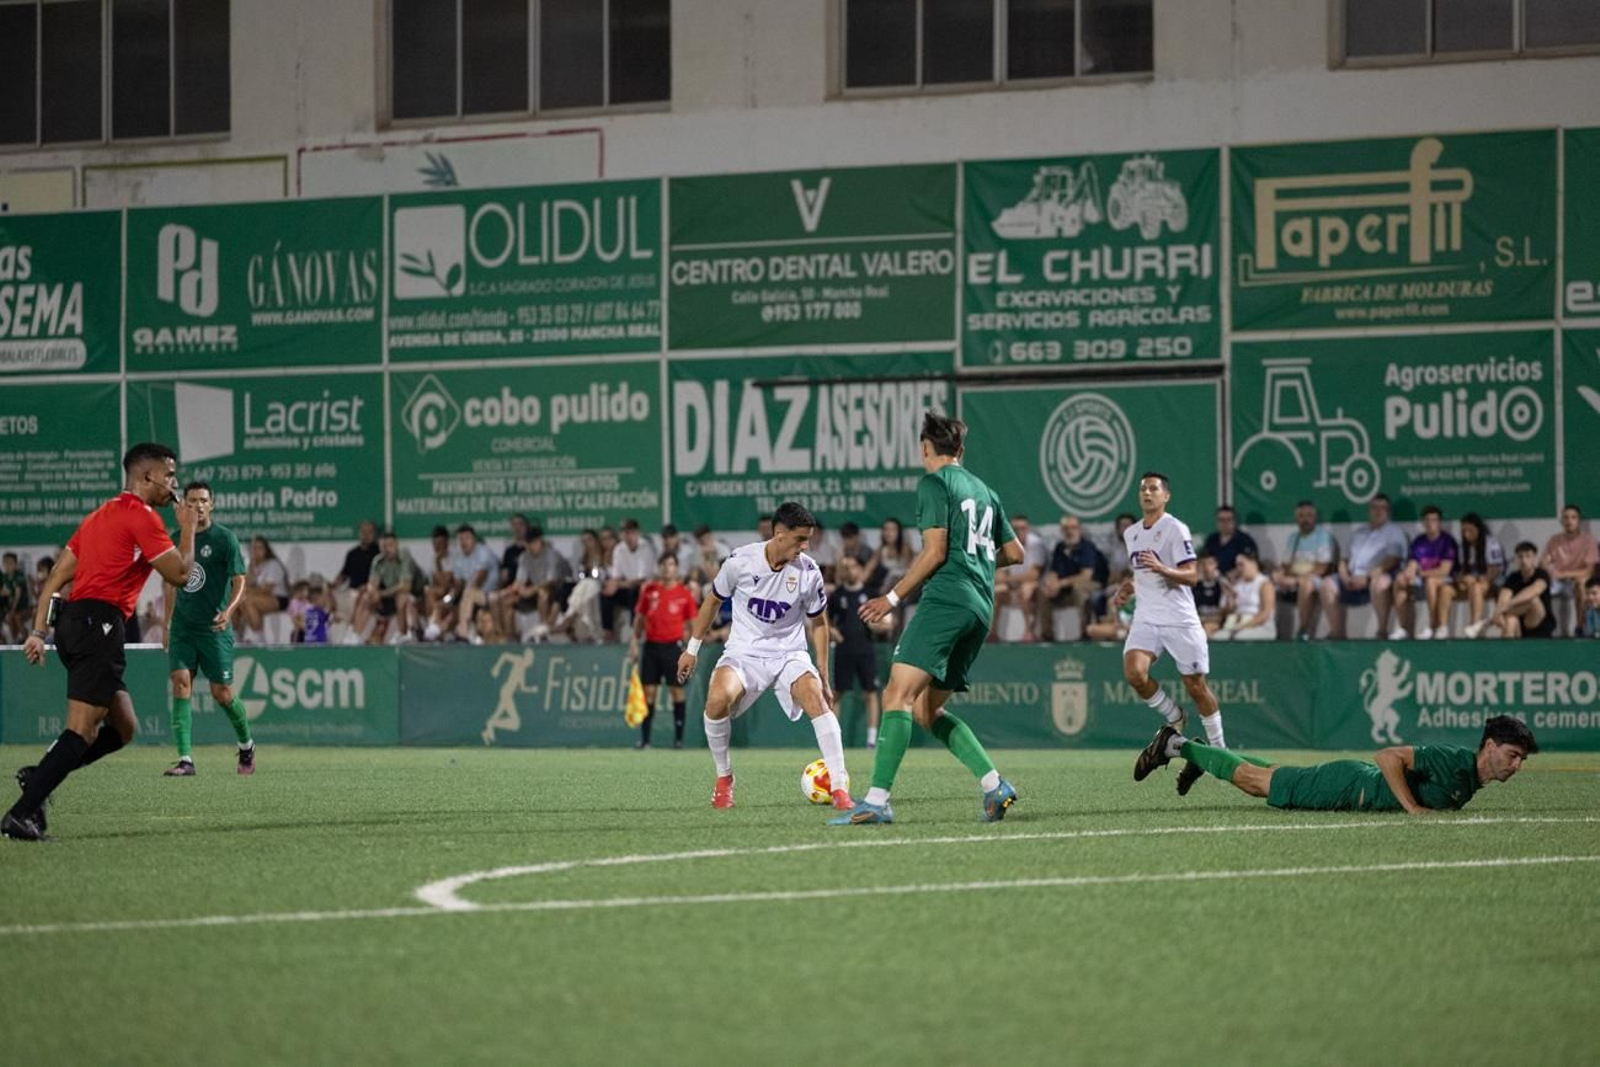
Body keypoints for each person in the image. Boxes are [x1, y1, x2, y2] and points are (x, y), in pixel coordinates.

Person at [832, 412, 1023, 826]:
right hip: (980, 608)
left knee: (895, 696)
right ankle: (994, 785)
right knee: (925, 711)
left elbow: (934, 552)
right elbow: (1015, 553)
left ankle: (878, 800)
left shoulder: (934, 484)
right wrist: (977, 563)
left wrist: (892, 597)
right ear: (962, 450)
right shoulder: (986, 491)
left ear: (924, 448)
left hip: (947, 600)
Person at [4, 442, 197, 842]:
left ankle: (40, 776)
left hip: (76, 623)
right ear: (147, 477)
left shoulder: (99, 516)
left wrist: (40, 631)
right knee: (82, 731)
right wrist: (189, 527)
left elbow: (56, 576)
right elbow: (180, 575)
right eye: (170, 475)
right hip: (99, 624)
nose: (174, 484)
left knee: (124, 727)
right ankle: (21, 815)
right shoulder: (143, 517)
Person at [676, 501, 851, 811]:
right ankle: (724, 777)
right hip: (745, 653)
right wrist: (692, 649)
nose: (805, 546)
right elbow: (712, 601)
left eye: (808, 539)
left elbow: (819, 622)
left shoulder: (809, 571)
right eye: (800, 539)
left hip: (789, 653)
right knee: (716, 701)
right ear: (779, 534)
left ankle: (839, 789)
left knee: (817, 700)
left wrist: (823, 673)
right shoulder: (740, 561)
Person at [1134, 715, 1535, 814]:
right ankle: (1177, 744)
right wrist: (1412, 809)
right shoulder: (1455, 760)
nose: (1516, 765)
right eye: (1512, 755)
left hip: (1350, 782)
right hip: (1349, 786)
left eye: (1520, 759)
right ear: (1489, 746)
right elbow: (1388, 756)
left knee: (1272, 774)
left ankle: (1207, 754)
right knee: (1254, 782)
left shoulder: (1469, 781)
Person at [1112, 471, 1229, 797]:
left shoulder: (1175, 529)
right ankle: (1173, 716)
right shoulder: (1132, 533)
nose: (1147, 493)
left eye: (1154, 488)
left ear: (1166, 496)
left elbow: (1192, 575)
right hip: (1147, 618)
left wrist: (1164, 568)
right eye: (1143, 488)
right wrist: (1129, 586)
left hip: (1179, 620)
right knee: (1135, 672)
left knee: (1196, 685)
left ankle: (1221, 750)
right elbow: (1143, 574)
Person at [160, 481, 254, 777]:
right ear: (184, 506)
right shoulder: (176, 539)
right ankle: (185, 759)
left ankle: (246, 745)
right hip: (184, 628)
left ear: (211, 504)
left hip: (214, 627)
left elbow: (239, 579)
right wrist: (167, 622)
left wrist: (228, 611)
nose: (198, 506)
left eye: (203, 500)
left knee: (222, 693)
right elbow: (171, 583)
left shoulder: (225, 539)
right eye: (192, 501)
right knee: (180, 682)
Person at [628, 553, 698, 749]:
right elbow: (639, 619)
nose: (668, 568)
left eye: (671, 564)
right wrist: (634, 641)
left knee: (677, 692)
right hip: (651, 646)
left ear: (676, 568)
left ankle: (678, 740)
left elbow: (694, 624)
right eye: (664, 564)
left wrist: (692, 649)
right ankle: (645, 740)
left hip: (673, 647)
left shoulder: (684, 594)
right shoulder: (649, 591)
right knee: (648, 692)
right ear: (659, 567)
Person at [828, 555, 891, 748]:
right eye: (845, 567)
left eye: (853, 566)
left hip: (865, 649)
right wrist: (834, 633)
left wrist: (880, 626)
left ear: (860, 569)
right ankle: (833, 739)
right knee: (838, 692)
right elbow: (825, 621)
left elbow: (886, 623)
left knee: (871, 693)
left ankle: (871, 740)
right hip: (843, 650)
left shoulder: (870, 594)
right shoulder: (837, 595)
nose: (850, 571)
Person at [1333, 493, 1409, 639]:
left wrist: (1367, 578)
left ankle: (1381, 631)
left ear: (1388, 512)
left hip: (1377, 575)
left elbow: (1392, 560)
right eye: (1374, 507)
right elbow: (1344, 559)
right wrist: (1344, 577)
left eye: (1383, 508)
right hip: (1352, 576)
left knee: (1379, 583)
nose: (1378, 511)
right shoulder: (1358, 532)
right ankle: (1337, 633)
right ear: (1369, 511)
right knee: (1327, 585)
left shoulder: (1394, 531)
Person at [493, 524, 571, 642]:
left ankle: (543, 632)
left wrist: (531, 590)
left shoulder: (552, 555)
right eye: (530, 543)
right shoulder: (524, 557)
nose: (533, 546)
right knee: (507, 601)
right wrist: (515, 590)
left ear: (541, 541)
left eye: (535, 542)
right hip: (532, 592)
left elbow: (551, 581)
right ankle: (510, 636)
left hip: (555, 593)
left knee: (542, 593)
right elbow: (520, 580)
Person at [1272, 500, 1337, 640]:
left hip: (1316, 579)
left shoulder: (1322, 536)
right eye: (1301, 516)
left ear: (1315, 517)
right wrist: (1279, 576)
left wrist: (1296, 580)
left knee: (1305, 584)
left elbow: (1322, 567)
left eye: (1309, 515)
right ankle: (1272, 633)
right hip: (1295, 578)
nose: (1305, 519)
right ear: (1296, 519)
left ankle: (1303, 630)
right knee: (1270, 581)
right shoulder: (1293, 538)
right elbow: (1286, 565)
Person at [1037, 515, 1108, 641]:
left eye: (1073, 528)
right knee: (1043, 591)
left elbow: (1086, 576)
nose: (1070, 531)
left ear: (1079, 529)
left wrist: (1060, 584)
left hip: (1091, 583)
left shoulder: (1087, 547)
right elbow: (1054, 570)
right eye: (1066, 528)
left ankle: (1085, 634)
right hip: (1065, 586)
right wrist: (1050, 583)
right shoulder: (1060, 547)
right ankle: (1047, 635)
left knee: (1078, 592)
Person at [1392, 505, 1457, 639]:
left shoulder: (1448, 541)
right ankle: (1403, 628)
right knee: (1399, 582)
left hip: (1444, 580)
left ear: (1439, 522)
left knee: (1430, 581)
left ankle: (1433, 625)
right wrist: (1407, 574)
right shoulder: (1419, 541)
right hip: (1422, 579)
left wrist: (1422, 574)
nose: (1430, 523)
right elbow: (1413, 563)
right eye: (1427, 520)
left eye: (1434, 520)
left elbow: (1445, 570)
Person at [1471, 541, 1554, 639]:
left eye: (1528, 556)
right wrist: (1499, 611)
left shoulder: (1541, 574)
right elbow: (1504, 596)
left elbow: (1533, 591)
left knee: (1533, 600)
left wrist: (1505, 607)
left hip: (1539, 622)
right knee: (1510, 620)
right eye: (1520, 557)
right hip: (1520, 625)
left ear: (1534, 559)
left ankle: (1488, 622)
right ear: (1516, 560)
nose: (1524, 560)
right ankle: (1506, 652)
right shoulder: (1513, 577)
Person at [1542, 504, 1598, 635]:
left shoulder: (1588, 540)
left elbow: (1589, 570)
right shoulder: (1554, 539)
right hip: (1559, 582)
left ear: (1579, 521)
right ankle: (1544, 629)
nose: (1569, 521)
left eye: (1573, 517)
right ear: (1562, 521)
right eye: (1566, 517)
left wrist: (1563, 574)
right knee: (1540, 583)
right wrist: (1551, 571)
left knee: (1582, 583)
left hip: (1577, 579)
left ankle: (1581, 626)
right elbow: (1544, 562)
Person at [354, 531, 419, 643]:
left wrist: (381, 593)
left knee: (402, 597)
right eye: (383, 546)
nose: (387, 549)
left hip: (412, 595)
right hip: (388, 596)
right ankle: (355, 636)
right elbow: (372, 584)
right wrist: (373, 593)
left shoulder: (405, 557)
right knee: (366, 597)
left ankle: (404, 635)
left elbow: (405, 586)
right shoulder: (378, 561)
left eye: (390, 545)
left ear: (396, 545)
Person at [1445, 512, 1503, 637]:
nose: (1467, 534)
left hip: (1490, 583)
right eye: (1464, 531)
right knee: (1445, 590)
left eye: (1470, 530)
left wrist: (1481, 579)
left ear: (1478, 529)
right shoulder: (1462, 547)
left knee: (1476, 587)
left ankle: (1475, 625)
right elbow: (1460, 571)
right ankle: (1441, 628)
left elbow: (1495, 570)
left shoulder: (1490, 543)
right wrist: (1462, 579)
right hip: (1470, 583)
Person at [991, 513, 1046, 642]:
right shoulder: (1007, 544)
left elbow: (1033, 575)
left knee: (1025, 591)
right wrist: (1006, 579)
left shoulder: (1035, 544)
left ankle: (1029, 632)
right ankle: (993, 632)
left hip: (1035, 586)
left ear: (1028, 528)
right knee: (997, 592)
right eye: (1016, 529)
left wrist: (1008, 579)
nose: (1020, 531)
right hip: (1014, 585)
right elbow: (1000, 573)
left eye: (1023, 528)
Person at [605, 518, 654, 640]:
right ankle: (607, 631)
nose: (628, 537)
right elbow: (616, 576)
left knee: (635, 589)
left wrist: (618, 584)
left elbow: (641, 579)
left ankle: (635, 630)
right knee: (606, 594)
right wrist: (613, 585)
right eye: (625, 533)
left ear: (637, 533)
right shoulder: (619, 549)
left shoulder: (646, 548)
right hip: (626, 588)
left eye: (631, 533)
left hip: (644, 590)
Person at [236, 535, 290, 643]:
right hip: (258, 597)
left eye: (259, 548)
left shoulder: (273, 564)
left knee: (246, 600)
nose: (255, 551)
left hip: (278, 598)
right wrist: (250, 567)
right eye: (253, 548)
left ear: (266, 550)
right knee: (234, 601)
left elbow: (266, 590)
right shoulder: (249, 564)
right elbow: (244, 583)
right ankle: (236, 637)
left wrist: (244, 591)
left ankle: (259, 638)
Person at [1212, 549, 1274, 641]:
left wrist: (1245, 625)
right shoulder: (1236, 584)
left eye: (1241, 565)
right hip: (1237, 622)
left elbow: (1265, 614)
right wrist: (1229, 597)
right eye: (1237, 565)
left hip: (1260, 624)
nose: (1238, 569)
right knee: (1218, 637)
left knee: (1240, 637)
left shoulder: (1264, 584)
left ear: (1253, 563)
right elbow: (1226, 612)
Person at [332, 519, 380, 612]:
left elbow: (382, 578)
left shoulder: (379, 553)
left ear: (374, 534)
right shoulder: (352, 553)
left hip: (368, 592)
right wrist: (333, 585)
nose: (366, 535)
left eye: (369, 532)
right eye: (363, 532)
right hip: (351, 591)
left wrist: (367, 587)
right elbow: (344, 574)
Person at [1201, 505, 1258, 579]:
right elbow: (1204, 560)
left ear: (1234, 521)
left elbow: (1251, 563)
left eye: (1228, 520)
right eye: (1221, 520)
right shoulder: (1211, 540)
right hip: (1215, 580)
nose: (1225, 523)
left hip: (1238, 581)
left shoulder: (1244, 540)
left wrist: (1236, 572)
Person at [1192, 553, 1229, 637]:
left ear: (1216, 565)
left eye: (1210, 564)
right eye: (1203, 564)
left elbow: (1225, 611)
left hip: (1216, 623)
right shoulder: (1195, 587)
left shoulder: (1222, 586)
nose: (1207, 568)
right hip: (1199, 623)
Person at [1, 550, 31, 643]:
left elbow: (17, 596)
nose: (7, 566)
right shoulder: (4, 577)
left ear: (15, 564)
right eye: (5, 563)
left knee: (16, 616)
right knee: (9, 618)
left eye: (10, 563)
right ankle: (14, 641)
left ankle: (26, 639)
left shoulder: (19, 576)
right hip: (9, 609)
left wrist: (12, 611)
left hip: (24, 608)